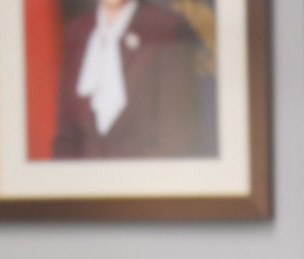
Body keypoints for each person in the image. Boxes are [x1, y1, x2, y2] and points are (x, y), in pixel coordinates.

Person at [53, 0, 207, 159]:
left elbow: (176, 143)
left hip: (146, 172)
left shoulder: (168, 29)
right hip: (85, 173)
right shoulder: (78, 31)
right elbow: (67, 138)